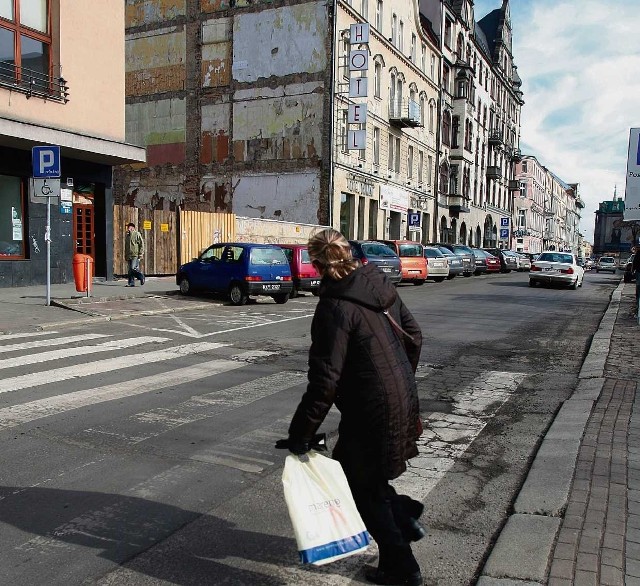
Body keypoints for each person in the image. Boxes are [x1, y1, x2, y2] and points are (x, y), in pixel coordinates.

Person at [283, 228, 424, 586]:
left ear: (316, 265)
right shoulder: (376, 283)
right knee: (363, 475)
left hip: (371, 408)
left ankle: (402, 566)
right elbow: (415, 335)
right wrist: (399, 378)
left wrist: (301, 434)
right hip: (401, 394)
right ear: (349, 253)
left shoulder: (335, 306)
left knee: (362, 488)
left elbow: (325, 380)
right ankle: (404, 515)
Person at [124, 222, 145, 287]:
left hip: (135, 254)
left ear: (132, 228)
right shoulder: (127, 235)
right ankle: (131, 283)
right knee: (130, 270)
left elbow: (141, 244)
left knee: (132, 269)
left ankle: (141, 277)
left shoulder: (137, 234)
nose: (127, 228)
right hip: (129, 255)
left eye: (129, 227)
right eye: (127, 227)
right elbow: (126, 246)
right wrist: (126, 255)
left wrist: (141, 253)